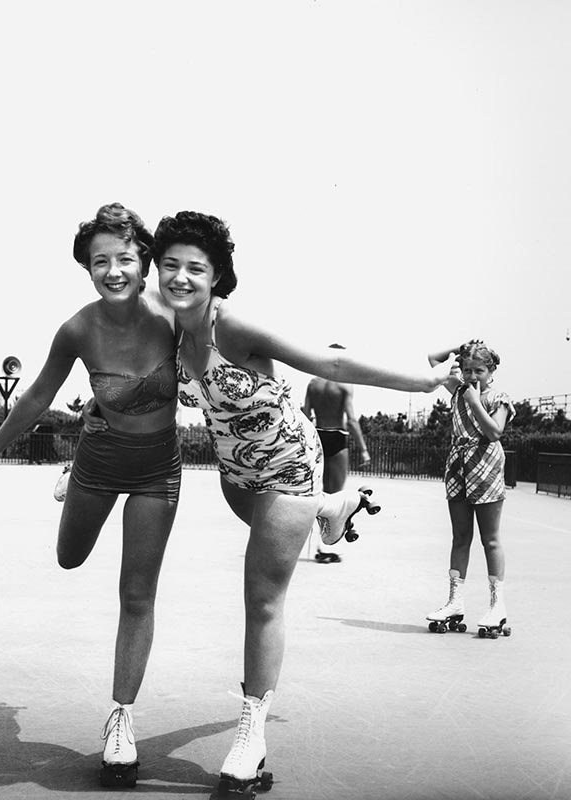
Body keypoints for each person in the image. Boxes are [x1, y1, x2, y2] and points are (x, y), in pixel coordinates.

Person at [146, 210, 455, 794]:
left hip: (288, 462)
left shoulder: (232, 327)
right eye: (170, 266)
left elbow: (330, 362)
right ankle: (334, 506)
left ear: (217, 277)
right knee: (278, 543)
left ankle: (250, 732)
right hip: (235, 476)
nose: (181, 278)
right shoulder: (162, 330)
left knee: (260, 597)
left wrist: (424, 379)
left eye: (196, 268)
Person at [0, 203, 180, 787]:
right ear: (87, 269)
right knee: (69, 557)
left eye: (125, 258)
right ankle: (71, 474)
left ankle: (121, 718)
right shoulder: (79, 329)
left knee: (137, 594)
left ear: (144, 261)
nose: (114, 270)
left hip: (158, 471)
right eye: (100, 261)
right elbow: (34, 396)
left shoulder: (176, 317)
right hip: (99, 462)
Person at [425, 340, 515, 637]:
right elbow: (432, 359)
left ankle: (497, 604)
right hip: (458, 466)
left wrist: (476, 401)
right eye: (467, 370)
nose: (473, 376)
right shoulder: (459, 389)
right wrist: (461, 346)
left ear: (491, 371)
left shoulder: (497, 396)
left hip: (486, 466)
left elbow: (495, 431)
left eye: (479, 370)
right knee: (460, 537)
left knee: (489, 539)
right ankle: (454, 602)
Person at [301, 346, 372, 563]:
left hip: (318, 437)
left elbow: (305, 414)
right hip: (338, 439)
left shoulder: (313, 384)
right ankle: (325, 548)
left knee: (319, 495)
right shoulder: (344, 384)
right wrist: (363, 449)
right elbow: (351, 419)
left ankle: (322, 545)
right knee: (335, 496)